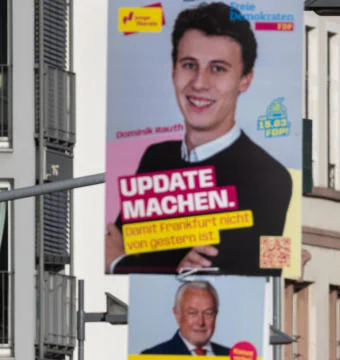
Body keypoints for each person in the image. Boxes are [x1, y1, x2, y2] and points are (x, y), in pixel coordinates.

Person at [106, 1, 292, 276]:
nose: (199, 83)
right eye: (189, 65)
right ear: (173, 71)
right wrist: (174, 265)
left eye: (218, 68)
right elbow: (111, 239)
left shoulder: (269, 177)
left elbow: (217, 271)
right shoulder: (156, 157)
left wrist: (119, 262)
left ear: (245, 80)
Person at [142, 281, 230, 355]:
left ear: (216, 315)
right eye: (192, 313)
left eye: (208, 313)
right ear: (177, 314)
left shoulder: (230, 357)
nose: (201, 322)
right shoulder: (153, 356)